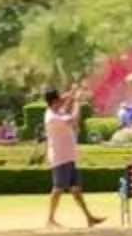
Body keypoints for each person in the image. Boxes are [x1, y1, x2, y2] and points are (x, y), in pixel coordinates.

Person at [42, 86, 102, 228]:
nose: (62, 100)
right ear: (54, 101)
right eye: (59, 98)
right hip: (60, 157)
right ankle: (50, 219)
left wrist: (73, 93)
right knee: (58, 189)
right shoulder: (52, 117)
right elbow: (74, 120)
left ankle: (89, 217)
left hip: (68, 156)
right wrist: (77, 104)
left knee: (76, 189)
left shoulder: (57, 112)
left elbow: (65, 102)